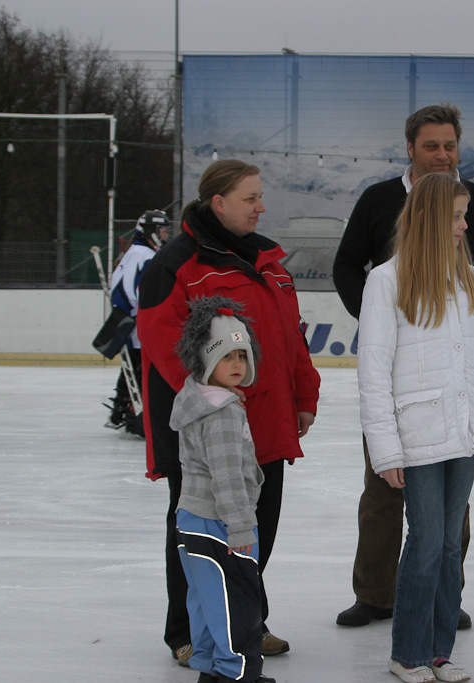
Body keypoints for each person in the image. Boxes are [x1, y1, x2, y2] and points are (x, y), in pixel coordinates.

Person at [332, 103, 474, 630]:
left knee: (450, 502)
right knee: (382, 490)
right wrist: (378, 319)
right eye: (431, 145)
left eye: (450, 145)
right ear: (410, 148)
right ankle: (375, 594)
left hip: (455, 379)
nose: (442, 155)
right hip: (398, 379)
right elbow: (347, 264)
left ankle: (445, 595)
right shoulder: (378, 200)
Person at [138, 159, 321, 667]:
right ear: (218, 203)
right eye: (250, 198)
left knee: (255, 530)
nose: (261, 206)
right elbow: (165, 346)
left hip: (269, 423)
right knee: (201, 533)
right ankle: (188, 632)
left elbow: (291, 338)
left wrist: (304, 396)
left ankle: (245, 621)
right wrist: (216, 403)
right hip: (209, 434)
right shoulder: (177, 264)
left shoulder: (270, 262)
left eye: (260, 196)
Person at [357, 173, 474, 683]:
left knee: (449, 544)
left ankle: (440, 651)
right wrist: (385, 450)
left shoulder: (470, 279)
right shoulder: (387, 281)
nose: (464, 225)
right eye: (456, 216)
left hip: (465, 432)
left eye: (464, 215)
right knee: (426, 541)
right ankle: (408, 653)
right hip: (418, 436)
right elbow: (373, 371)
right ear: (425, 217)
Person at [171, 295, 276, 683]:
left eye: (242, 356)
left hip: (191, 517)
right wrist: (241, 527)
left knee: (206, 600)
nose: (237, 364)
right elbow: (228, 475)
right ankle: (237, 673)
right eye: (226, 356)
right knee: (236, 602)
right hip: (220, 522)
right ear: (207, 360)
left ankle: (210, 667)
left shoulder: (196, 398)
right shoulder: (223, 413)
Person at [104, 209, 170, 436]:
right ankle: (135, 416)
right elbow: (134, 291)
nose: (165, 234)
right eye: (162, 230)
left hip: (130, 322)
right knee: (142, 371)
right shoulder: (145, 255)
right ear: (151, 231)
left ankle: (121, 411)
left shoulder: (134, 252)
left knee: (132, 367)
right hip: (139, 324)